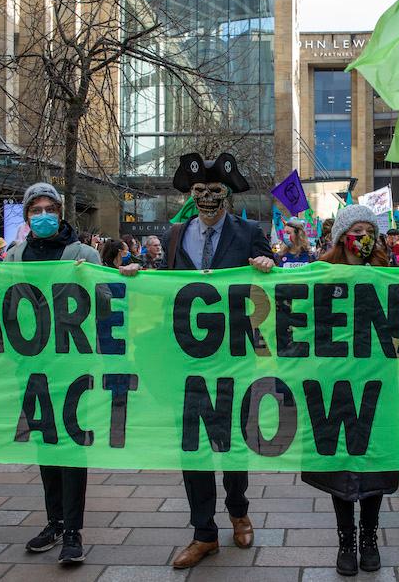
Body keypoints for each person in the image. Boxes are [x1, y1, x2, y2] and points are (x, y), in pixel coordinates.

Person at [119, 152, 273, 569]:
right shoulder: (174, 234)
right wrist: (136, 274)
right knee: (194, 445)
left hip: (232, 358)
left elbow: (271, 283)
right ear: (190, 194)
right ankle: (203, 531)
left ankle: (239, 510)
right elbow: (163, 285)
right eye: (199, 191)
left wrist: (266, 264)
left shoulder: (248, 232)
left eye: (215, 192)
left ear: (227, 195)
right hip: (184, 359)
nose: (207, 199)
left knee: (233, 440)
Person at [4, 183, 100, 564]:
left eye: (50, 209)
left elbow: (107, 302)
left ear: (60, 213)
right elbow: (6, 306)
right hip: (32, 366)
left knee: (73, 446)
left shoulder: (84, 254)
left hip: (73, 366)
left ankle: (74, 530)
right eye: (35, 210)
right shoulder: (14, 257)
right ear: (27, 216)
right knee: (46, 443)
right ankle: (55, 521)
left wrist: (104, 278)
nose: (43, 215)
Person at [302, 204, 399, 576]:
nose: (363, 236)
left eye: (368, 229)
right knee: (339, 462)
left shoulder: (384, 276)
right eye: (356, 229)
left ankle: (370, 537)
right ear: (341, 237)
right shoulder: (320, 275)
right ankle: (346, 541)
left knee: (373, 460)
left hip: (377, 380)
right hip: (335, 382)